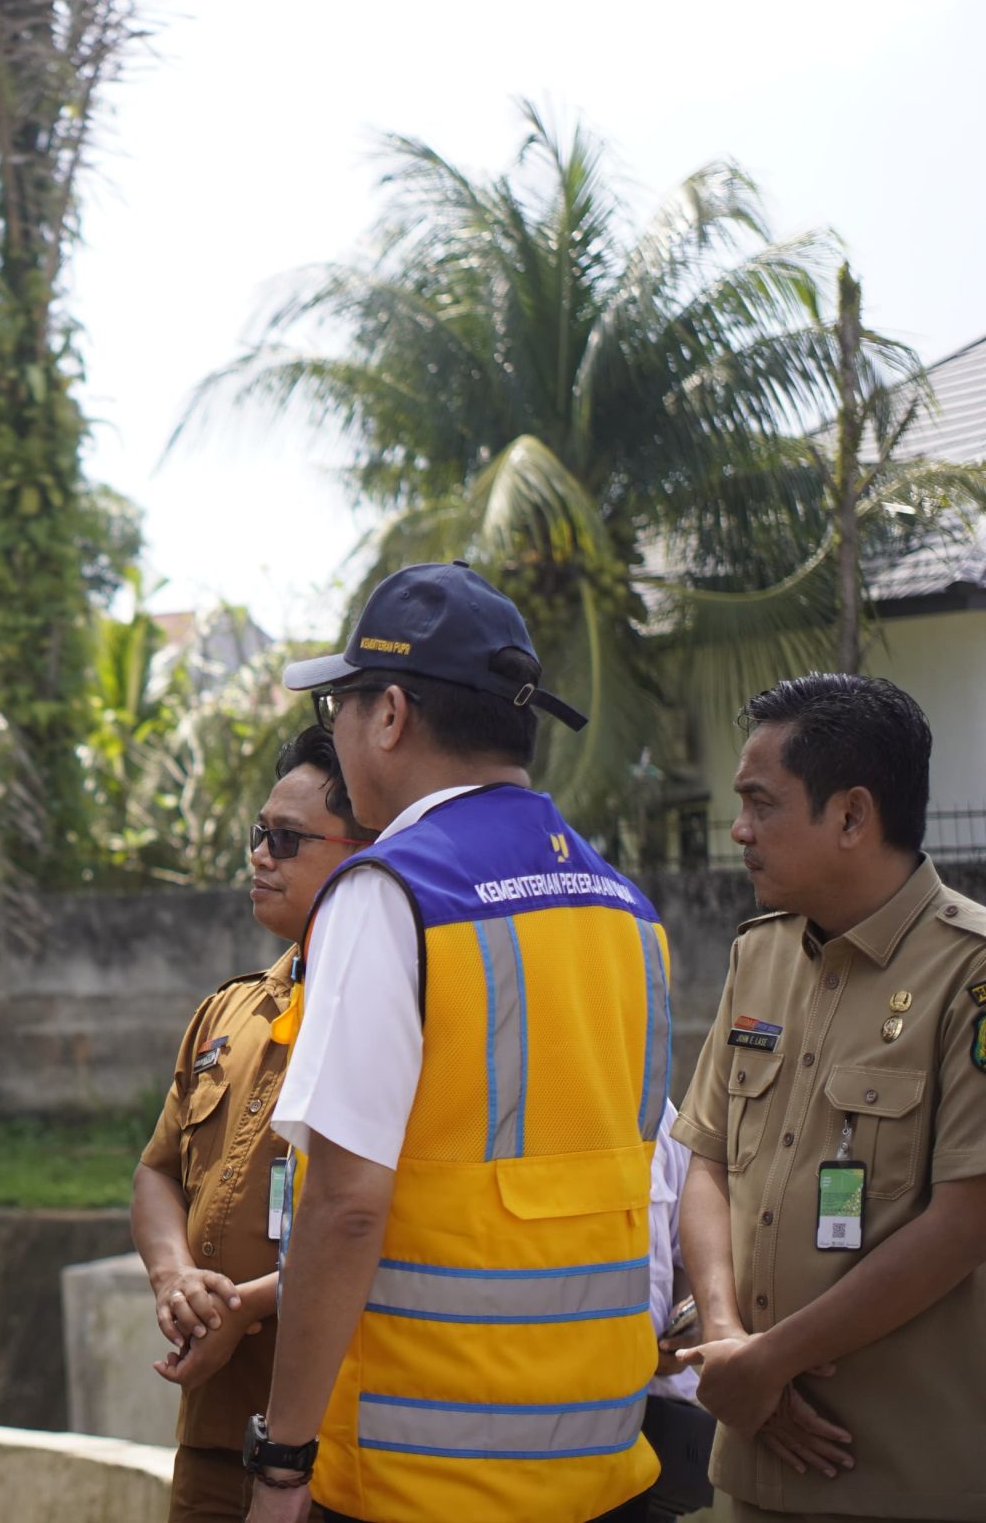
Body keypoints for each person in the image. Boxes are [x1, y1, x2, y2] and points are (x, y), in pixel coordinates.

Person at [248, 562, 674, 1523]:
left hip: (425, 1477)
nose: (340, 734)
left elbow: (347, 1208)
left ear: (390, 714)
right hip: (603, 1465)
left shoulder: (389, 894)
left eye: (343, 706)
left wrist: (281, 1464)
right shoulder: (625, 907)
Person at [670, 675, 986, 1523]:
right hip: (748, 1466)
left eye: (761, 804)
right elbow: (705, 1155)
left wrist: (770, 1363)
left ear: (851, 816)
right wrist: (731, 1342)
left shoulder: (970, 972)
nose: (739, 831)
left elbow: (963, 1222)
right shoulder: (759, 955)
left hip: (899, 1480)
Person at [132, 728, 376, 1522]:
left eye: (287, 840)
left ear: (363, 856)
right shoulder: (228, 1010)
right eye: (259, 835)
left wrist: (248, 1305)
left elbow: (382, 1219)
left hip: (332, 1447)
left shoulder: (387, 1017)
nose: (260, 856)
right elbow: (158, 1172)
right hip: (212, 1431)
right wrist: (176, 1280)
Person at [589, 1097, 717, 1523]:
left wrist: (683, 1326)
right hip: (523, 1434)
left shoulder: (653, 1103)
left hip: (644, 1438)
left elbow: (686, 1251)